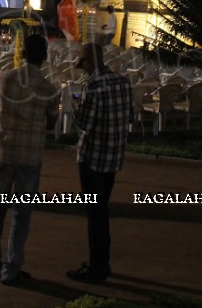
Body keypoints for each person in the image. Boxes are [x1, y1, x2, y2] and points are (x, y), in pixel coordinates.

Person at [0, 36, 59, 286]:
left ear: (23, 52)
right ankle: (11, 267)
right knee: (22, 213)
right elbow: (51, 122)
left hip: (4, 151)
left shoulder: (4, 78)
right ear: (44, 57)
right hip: (30, 156)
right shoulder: (48, 88)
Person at [67, 42, 133, 283]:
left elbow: (85, 121)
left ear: (90, 61)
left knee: (95, 215)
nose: (82, 69)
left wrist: (76, 106)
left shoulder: (92, 85)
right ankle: (102, 262)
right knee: (101, 209)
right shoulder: (123, 82)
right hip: (113, 156)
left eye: (83, 64)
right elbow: (129, 117)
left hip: (92, 157)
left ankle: (98, 267)